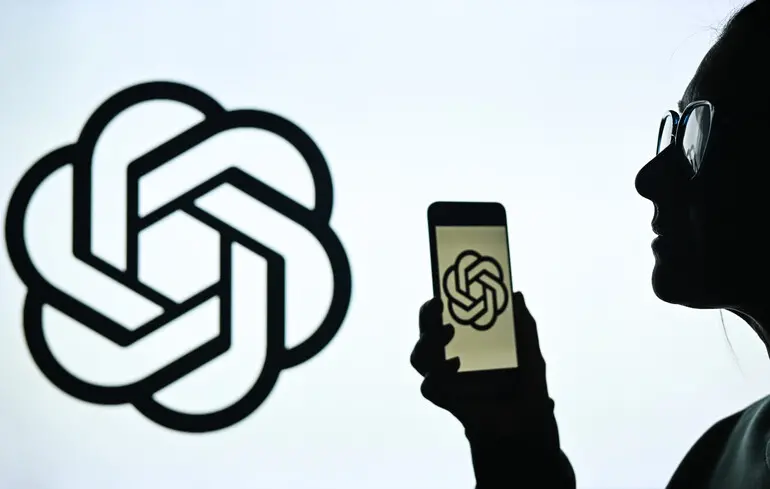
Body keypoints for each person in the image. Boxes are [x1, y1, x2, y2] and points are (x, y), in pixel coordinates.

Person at [409, 1, 770, 487]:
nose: (648, 177)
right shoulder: (714, 461)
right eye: (672, 129)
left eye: (695, 134)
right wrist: (514, 440)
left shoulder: (717, 464)